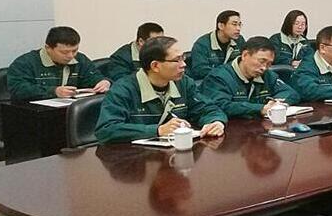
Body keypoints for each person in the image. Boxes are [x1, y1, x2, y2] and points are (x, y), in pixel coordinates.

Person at [95, 36, 226, 143]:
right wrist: (158, 130)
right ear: (155, 66)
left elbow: (208, 109)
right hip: (134, 161)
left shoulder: (184, 83)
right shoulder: (124, 89)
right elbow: (106, 130)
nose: (184, 64)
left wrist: (216, 122)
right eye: (177, 60)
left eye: (183, 58)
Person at [200, 36, 300, 119]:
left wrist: (276, 103)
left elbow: (291, 93)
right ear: (245, 55)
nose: (264, 68)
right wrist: (260, 108)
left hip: (258, 129)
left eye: (269, 64)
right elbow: (220, 105)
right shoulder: (218, 77)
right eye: (261, 61)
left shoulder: (267, 75)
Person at [8, 26, 110, 101]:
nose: (70, 56)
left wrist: (104, 82)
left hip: (70, 111)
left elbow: (93, 77)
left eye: (74, 50)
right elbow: (18, 90)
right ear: (48, 48)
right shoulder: (25, 63)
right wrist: (54, 91)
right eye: (64, 52)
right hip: (35, 114)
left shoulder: (80, 59)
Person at [188, 10, 245, 81]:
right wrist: (224, 75)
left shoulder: (239, 41)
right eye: (234, 24)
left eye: (239, 25)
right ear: (221, 26)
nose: (238, 28)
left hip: (232, 81)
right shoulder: (202, 44)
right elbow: (200, 70)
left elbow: (244, 62)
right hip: (209, 81)